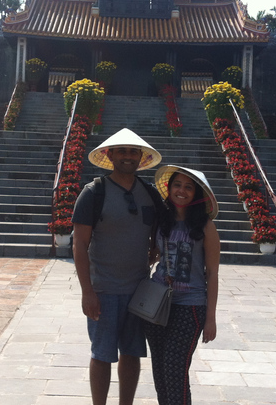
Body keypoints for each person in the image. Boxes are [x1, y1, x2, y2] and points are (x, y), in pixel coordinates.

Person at [72, 128, 163, 405]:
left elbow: (161, 231)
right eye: (121, 151)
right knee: (102, 354)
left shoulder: (149, 193)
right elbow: (79, 245)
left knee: (132, 353)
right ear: (110, 155)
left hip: (139, 290)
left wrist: (154, 250)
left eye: (133, 151)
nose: (127, 156)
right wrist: (87, 292)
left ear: (141, 157)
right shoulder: (94, 192)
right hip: (104, 290)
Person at [145, 165, 221, 405]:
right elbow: (152, 256)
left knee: (175, 369)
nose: (182, 190)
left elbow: (213, 274)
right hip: (157, 303)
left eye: (188, 187)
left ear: (196, 194)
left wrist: (211, 318)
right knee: (160, 370)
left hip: (190, 306)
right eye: (177, 184)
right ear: (169, 188)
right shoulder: (161, 221)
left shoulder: (206, 227)